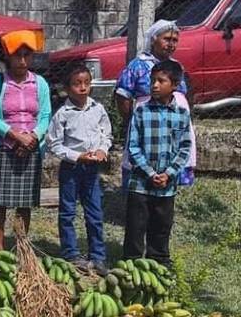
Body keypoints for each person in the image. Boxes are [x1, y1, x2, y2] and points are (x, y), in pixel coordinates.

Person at [0, 30, 51, 251]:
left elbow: (45, 116)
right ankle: (0, 249)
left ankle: (22, 244)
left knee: (25, 202)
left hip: (30, 147)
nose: (22, 61)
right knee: (1, 202)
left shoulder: (40, 83)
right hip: (5, 147)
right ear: (8, 57)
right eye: (17, 55)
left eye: (27, 55)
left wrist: (33, 137)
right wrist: (15, 136)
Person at [123, 60, 192, 266]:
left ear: (175, 84)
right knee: (136, 225)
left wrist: (168, 173)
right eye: (152, 80)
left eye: (161, 81)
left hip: (167, 186)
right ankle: (132, 264)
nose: (154, 85)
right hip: (140, 183)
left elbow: (185, 147)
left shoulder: (181, 114)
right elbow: (133, 146)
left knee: (161, 226)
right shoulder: (141, 111)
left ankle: (159, 261)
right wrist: (150, 173)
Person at [46, 63, 112, 275]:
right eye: (77, 84)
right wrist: (77, 156)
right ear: (67, 88)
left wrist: (102, 150)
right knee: (67, 212)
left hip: (92, 169)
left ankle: (98, 256)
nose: (83, 88)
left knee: (94, 212)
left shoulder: (98, 109)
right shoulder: (63, 114)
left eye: (86, 83)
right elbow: (54, 144)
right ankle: (71, 253)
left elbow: (106, 135)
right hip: (71, 168)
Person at [115, 20, 196, 188]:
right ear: (153, 39)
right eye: (167, 39)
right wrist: (133, 120)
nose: (171, 44)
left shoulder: (177, 67)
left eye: (175, 40)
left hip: (175, 122)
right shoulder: (138, 65)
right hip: (147, 124)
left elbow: (185, 94)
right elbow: (123, 96)